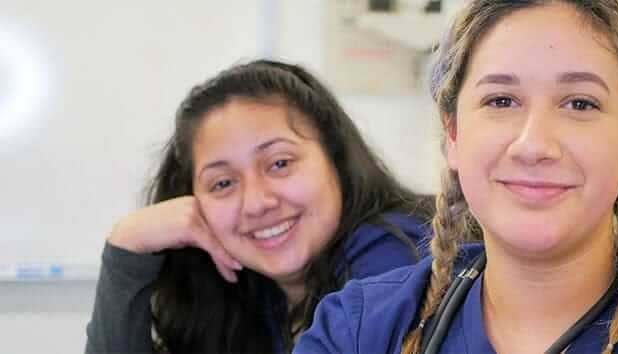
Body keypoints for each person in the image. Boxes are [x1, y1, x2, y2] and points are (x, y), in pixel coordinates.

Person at [295, 1, 618, 353]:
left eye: (580, 103)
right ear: (452, 134)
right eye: (501, 100)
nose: (535, 145)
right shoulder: (359, 330)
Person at [84, 59, 433, 353]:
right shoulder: (250, 293)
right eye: (223, 183)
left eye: (279, 163)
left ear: (336, 160)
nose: (256, 203)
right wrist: (127, 246)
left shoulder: (396, 256)